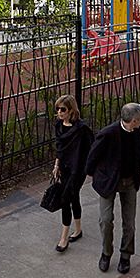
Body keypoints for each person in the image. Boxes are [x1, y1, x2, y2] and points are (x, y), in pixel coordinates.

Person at [85, 102, 140, 274]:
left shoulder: (136, 132)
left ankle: (125, 256)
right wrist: (92, 173)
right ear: (133, 120)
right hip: (109, 182)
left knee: (129, 223)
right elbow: (92, 155)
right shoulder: (108, 133)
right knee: (105, 220)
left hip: (129, 182)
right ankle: (106, 253)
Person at [51, 95, 93, 252]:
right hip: (65, 168)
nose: (60, 112)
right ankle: (78, 229)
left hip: (78, 169)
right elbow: (59, 147)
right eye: (58, 109)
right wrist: (57, 165)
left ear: (71, 110)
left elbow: (92, 147)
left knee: (65, 198)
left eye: (63, 109)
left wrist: (91, 168)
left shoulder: (81, 128)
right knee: (74, 197)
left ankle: (63, 238)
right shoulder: (59, 125)